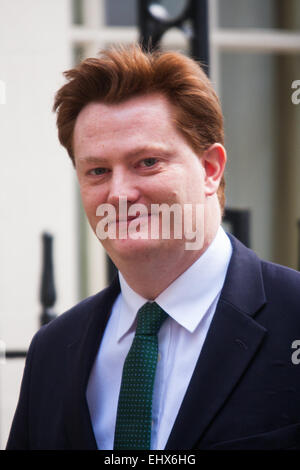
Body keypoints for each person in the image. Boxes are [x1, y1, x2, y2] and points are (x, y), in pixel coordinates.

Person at [6, 44, 300, 450]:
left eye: (147, 162)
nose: (119, 193)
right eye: (98, 171)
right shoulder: (53, 351)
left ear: (210, 169)